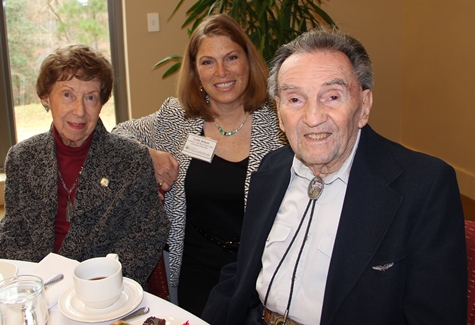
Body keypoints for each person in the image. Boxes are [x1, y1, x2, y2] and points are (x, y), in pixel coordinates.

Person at [202, 27, 468, 324]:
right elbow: (242, 270)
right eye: (294, 99)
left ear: (364, 106)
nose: (313, 118)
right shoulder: (270, 169)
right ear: (278, 111)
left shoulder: (424, 187)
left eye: (331, 96)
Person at [112, 13, 287, 315]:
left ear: (248, 60)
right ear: (195, 71)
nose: (221, 71)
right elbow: (117, 136)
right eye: (207, 62)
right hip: (197, 267)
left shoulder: (281, 121)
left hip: (263, 268)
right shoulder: (176, 118)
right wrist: (148, 156)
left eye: (231, 57)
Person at [0, 44, 170, 287]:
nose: (79, 111)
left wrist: (101, 282)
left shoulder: (130, 159)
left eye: (90, 97)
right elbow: (14, 233)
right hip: (37, 287)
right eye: (67, 95)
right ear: (46, 98)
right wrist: (35, 285)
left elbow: (148, 233)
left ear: (102, 102)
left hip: (100, 293)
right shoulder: (21, 158)